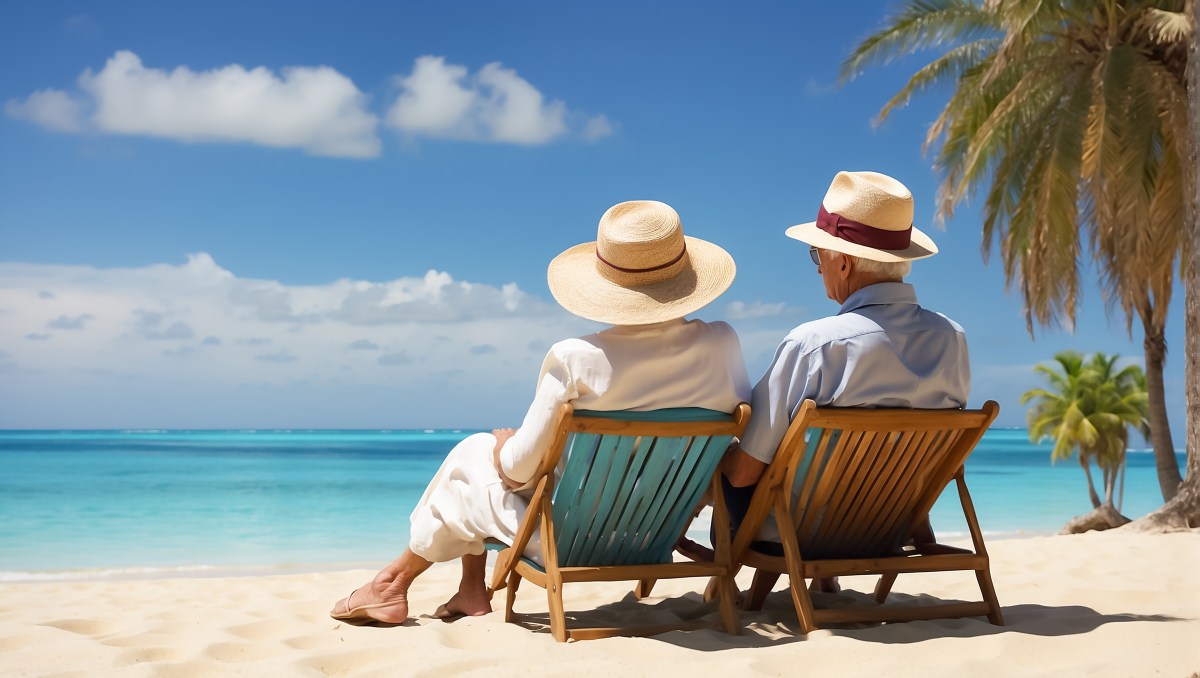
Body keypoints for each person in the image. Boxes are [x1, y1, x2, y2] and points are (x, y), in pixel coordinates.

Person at [331, 200, 751, 626]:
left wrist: (502, 444)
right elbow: (736, 432)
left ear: (607, 282)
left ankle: (393, 583)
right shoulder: (723, 345)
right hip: (656, 532)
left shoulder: (576, 358)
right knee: (473, 465)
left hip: (565, 542)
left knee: (474, 454)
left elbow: (517, 472)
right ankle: (466, 590)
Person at [717, 170, 969, 577]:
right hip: (889, 530)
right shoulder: (952, 339)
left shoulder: (815, 345)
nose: (818, 269)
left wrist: (714, 457)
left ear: (845, 263)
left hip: (795, 535)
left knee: (730, 470)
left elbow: (747, 472)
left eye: (820, 255)